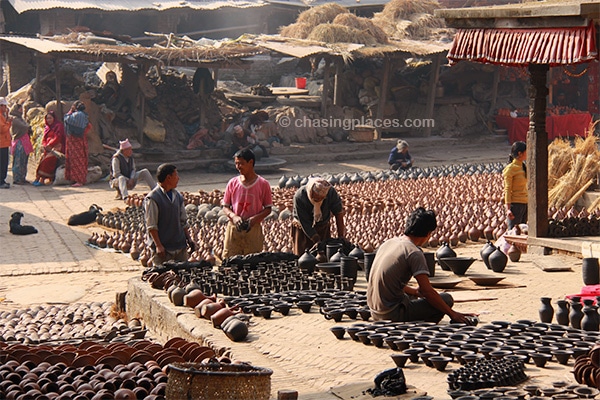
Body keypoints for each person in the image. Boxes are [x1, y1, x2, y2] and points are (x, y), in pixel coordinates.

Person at [367, 207, 478, 324]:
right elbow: (427, 292)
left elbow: (387, 281)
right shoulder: (414, 252)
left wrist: (414, 292)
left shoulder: (388, 243)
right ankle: (422, 326)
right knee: (446, 299)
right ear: (428, 233)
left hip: (375, 311)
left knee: (415, 296)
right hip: (392, 314)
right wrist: (453, 314)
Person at [221, 148, 272, 258]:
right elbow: (225, 206)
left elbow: (268, 209)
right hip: (234, 229)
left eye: (241, 163)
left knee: (252, 263)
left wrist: (254, 219)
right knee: (230, 262)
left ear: (251, 162)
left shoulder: (263, 184)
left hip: (253, 229)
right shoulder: (232, 183)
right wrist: (234, 216)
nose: (238, 167)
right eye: (236, 163)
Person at [144, 163, 195, 267]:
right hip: (164, 248)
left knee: (182, 277)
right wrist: (158, 245)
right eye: (176, 175)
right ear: (168, 177)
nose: (178, 178)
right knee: (163, 278)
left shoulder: (178, 196)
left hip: (179, 246)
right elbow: (152, 225)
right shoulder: (153, 198)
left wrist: (189, 239)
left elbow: (183, 221)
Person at [291, 177, 345, 255]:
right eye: (316, 198)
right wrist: (317, 240)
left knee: (325, 255)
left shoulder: (330, 192)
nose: (319, 201)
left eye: (321, 198)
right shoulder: (300, 196)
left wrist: (341, 236)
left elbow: (338, 213)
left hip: (323, 228)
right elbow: (305, 223)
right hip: (303, 231)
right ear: (311, 193)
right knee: (304, 257)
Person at [33, 111, 65, 186]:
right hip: (48, 148)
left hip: (56, 147)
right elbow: (44, 138)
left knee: (47, 160)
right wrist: (44, 145)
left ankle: (42, 179)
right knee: (41, 159)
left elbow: (58, 137)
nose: (49, 120)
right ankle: (37, 178)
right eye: (47, 118)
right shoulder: (47, 127)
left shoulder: (58, 126)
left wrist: (50, 145)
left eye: (50, 118)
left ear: (54, 118)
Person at [64, 100, 90, 187]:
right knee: (82, 159)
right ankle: (79, 179)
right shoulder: (85, 116)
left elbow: (66, 119)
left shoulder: (76, 115)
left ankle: (79, 180)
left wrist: (70, 111)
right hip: (82, 140)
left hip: (74, 141)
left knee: (76, 160)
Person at [503, 141, 527, 230]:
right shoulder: (510, 169)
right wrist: (508, 208)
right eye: (526, 152)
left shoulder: (523, 167)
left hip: (524, 204)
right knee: (513, 232)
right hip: (515, 205)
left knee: (523, 232)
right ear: (520, 153)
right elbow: (508, 189)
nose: (527, 154)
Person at [9, 102, 33, 185]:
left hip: (24, 142)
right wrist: (28, 127)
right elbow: (25, 127)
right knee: (18, 161)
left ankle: (23, 177)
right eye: (20, 109)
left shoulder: (21, 119)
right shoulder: (15, 119)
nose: (21, 110)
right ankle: (17, 178)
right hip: (19, 142)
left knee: (24, 161)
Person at [0, 97, 11, 189]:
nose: (6, 108)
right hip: (1, 143)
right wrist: (8, 122)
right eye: (4, 106)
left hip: (4, 142)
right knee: (2, 163)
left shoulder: (2, 116)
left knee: (4, 162)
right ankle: (0, 181)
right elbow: (3, 129)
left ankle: (2, 180)